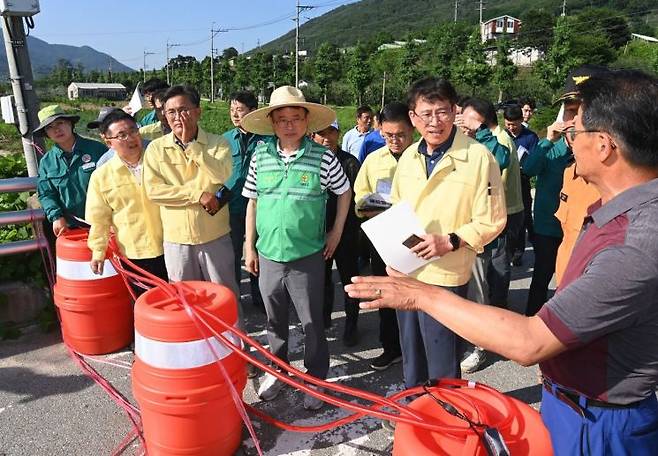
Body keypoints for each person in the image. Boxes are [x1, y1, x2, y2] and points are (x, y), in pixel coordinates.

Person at [347, 69, 658, 455]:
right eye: (424, 113)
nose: (568, 140)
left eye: (574, 131)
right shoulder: (609, 209)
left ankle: (448, 430)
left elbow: (530, 340)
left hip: (601, 417)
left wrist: (430, 277)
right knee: (413, 360)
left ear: (605, 145)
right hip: (411, 272)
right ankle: (418, 420)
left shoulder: (634, 240)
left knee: (444, 368)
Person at [390, 78, 506, 391]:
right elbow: (397, 212)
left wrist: (451, 240)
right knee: (411, 353)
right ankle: (415, 407)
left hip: (447, 275)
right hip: (407, 271)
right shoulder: (409, 158)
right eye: (425, 114)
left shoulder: (479, 157)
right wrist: (392, 256)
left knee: (441, 358)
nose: (434, 122)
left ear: (454, 112)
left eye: (442, 112)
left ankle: (447, 418)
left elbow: (493, 219)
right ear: (413, 117)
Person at [241, 86, 351, 411]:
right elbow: (252, 202)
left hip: (308, 257)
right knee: (274, 321)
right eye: (282, 119)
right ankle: (279, 371)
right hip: (268, 254)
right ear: (272, 123)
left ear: (307, 121)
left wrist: (336, 232)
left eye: (296, 118)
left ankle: (315, 379)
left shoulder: (323, 157)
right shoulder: (260, 156)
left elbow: (344, 193)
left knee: (312, 322)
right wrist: (250, 246)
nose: (289, 125)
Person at [523, 65, 607, 316]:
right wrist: (548, 140)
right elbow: (528, 168)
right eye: (570, 112)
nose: (576, 121)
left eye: (584, 112)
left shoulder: (620, 168)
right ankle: (533, 319)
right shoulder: (555, 149)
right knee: (543, 278)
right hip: (550, 227)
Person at [143, 85, 238, 299]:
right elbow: (154, 191)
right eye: (171, 112)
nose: (178, 117)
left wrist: (191, 146)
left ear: (198, 112)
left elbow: (221, 176)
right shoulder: (156, 149)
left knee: (225, 295)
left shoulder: (218, 143)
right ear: (164, 116)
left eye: (184, 110)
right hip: (177, 240)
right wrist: (197, 194)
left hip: (215, 236)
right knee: (184, 299)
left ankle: (232, 333)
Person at [455, 97, 523, 372]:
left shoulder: (495, 139)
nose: (459, 120)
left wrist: (477, 133)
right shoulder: (454, 140)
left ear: (480, 119)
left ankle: (482, 344)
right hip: (461, 225)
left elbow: (502, 159)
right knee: (466, 287)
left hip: (490, 223)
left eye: (464, 116)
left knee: (486, 283)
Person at [353, 101, 412, 371]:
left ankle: (416, 350)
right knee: (386, 295)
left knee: (416, 297)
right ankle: (391, 348)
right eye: (388, 135)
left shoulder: (423, 158)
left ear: (412, 128)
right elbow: (359, 197)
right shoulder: (374, 160)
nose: (395, 141)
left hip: (416, 240)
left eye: (400, 134)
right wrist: (367, 207)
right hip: (384, 238)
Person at [85, 111, 167, 294]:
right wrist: (98, 251)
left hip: (171, 245)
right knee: (147, 306)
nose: (130, 138)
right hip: (134, 254)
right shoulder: (101, 176)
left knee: (178, 305)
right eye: (122, 135)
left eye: (133, 131)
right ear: (108, 142)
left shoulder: (160, 161)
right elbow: (99, 220)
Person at [312, 120, 361, 346]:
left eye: (331, 132)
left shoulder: (350, 162)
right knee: (321, 280)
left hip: (347, 233)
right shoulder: (310, 161)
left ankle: (352, 324)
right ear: (313, 135)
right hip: (317, 234)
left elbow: (356, 199)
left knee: (349, 280)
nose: (327, 137)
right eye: (321, 133)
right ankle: (323, 320)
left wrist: (340, 231)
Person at [222, 91, 270, 313]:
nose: (234, 114)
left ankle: (259, 295)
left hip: (259, 205)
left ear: (252, 111)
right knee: (231, 253)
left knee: (257, 250)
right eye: (232, 110)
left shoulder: (267, 139)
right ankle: (233, 295)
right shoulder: (224, 140)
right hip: (231, 206)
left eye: (239, 110)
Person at [35, 105, 108, 236]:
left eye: (60, 123)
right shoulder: (47, 162)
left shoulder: (97, 149)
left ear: (70, 124)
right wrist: (56, 216)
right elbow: (46, 194)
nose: (56, 129)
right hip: (71, 227)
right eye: (50, 127)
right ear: (46, 134)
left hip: (106, 222)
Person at [503, 104, 539, 266]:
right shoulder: (501, 136)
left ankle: (518, 253)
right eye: (508, 124)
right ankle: (506, 250)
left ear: (521, 121)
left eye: (514, 124)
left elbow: (535, 160)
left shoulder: (530, 137)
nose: (511, 128)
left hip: (522, 181)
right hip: (503, 182)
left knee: (521, 217)